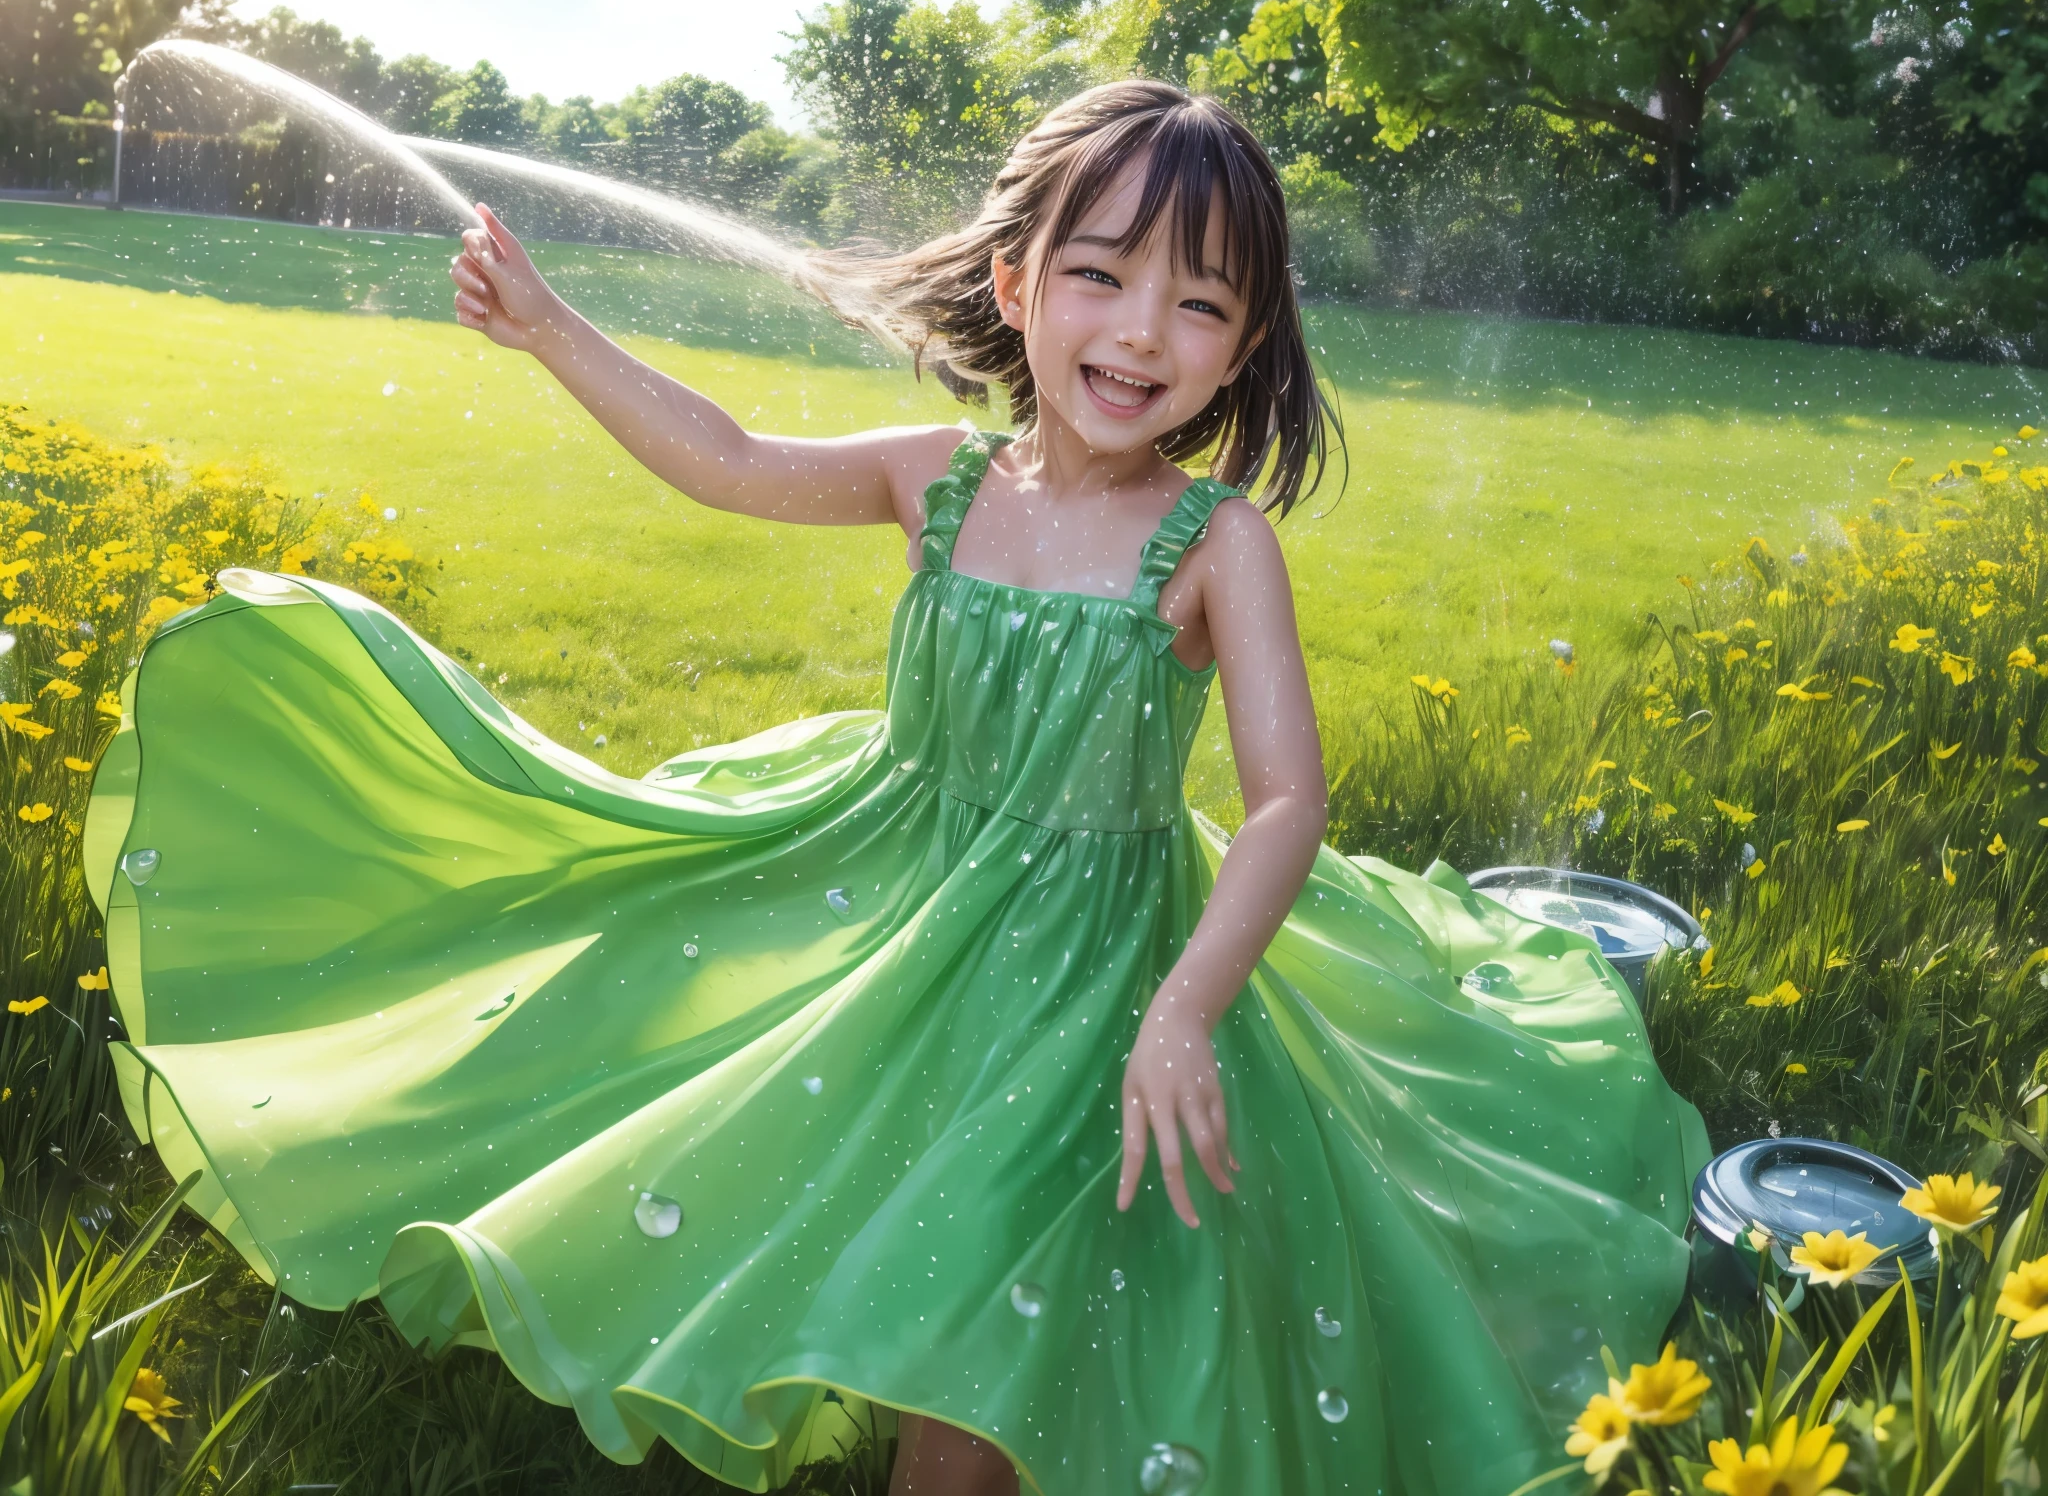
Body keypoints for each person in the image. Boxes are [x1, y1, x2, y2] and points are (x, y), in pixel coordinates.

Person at [85, 80, 1710, 1495]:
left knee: (1002, 1278)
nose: (1143, 332)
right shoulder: (939, 478)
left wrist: (1187, 1007)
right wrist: (551, 330)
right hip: (895, 881)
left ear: (1249, 346)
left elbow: (1287, 800)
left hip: (1091, 954)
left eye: (1202, 305)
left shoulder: (1216, 544)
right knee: (791, 1137)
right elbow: (725, 458)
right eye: (1101, 276)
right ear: (1014, 283)